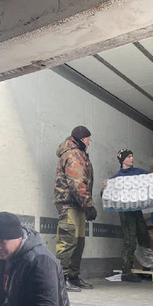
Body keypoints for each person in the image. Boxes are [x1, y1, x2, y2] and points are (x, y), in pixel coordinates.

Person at [54, 125, 97, 291]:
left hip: (78, 205)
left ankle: (73, 276)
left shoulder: (80, 154)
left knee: (78, 242)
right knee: (67, 242)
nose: (89, 143)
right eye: (88, 140)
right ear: (81, 139)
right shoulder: (73, 154)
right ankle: (61, 279)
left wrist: (85, 206)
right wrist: (89, 205)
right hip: (69, 205)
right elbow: (77, 183)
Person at [103, 149, 152, 282]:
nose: (132, 158)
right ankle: (126, 271)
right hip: (125, 212)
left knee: (144, 237)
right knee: (130, 240)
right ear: (122, 159)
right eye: (129, 156)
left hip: (136, 210)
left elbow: (152, 179)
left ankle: (147, 267)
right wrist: (105, 188)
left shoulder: (138, 172)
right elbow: (104, 195)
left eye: (132, 156)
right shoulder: (116, 178)